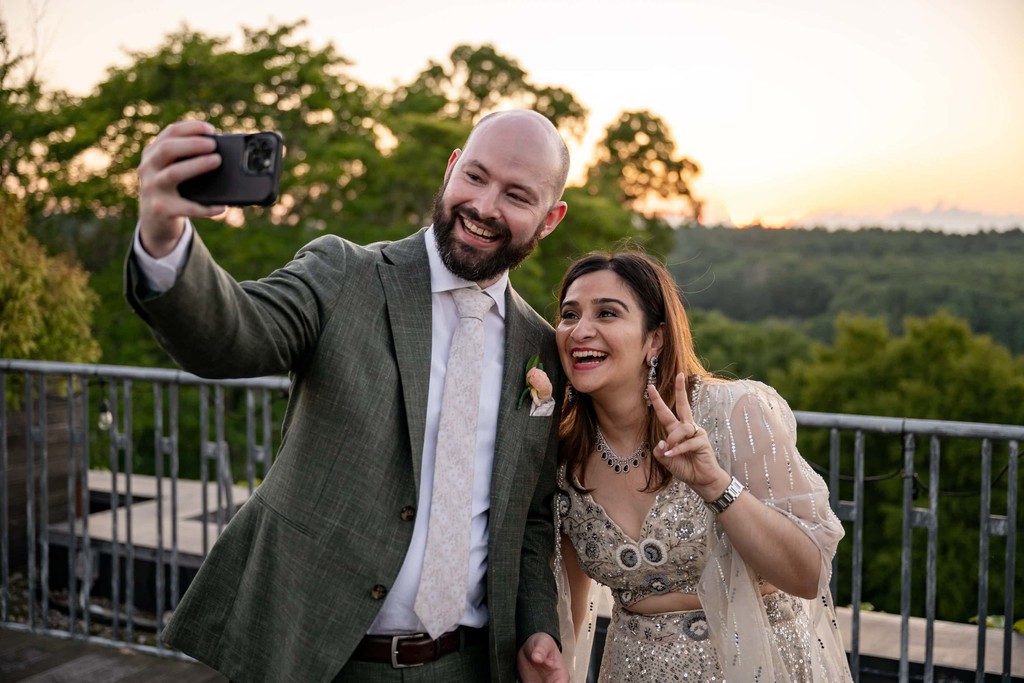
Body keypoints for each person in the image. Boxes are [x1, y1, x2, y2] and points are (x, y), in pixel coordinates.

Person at [125, 110, 572, 682]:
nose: (484, 206)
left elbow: (530, 520)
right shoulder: (344, 275)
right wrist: (164, 239)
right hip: (317, 657)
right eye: (476, 177)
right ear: (451, 168)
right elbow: (234, 335)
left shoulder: (542, 350)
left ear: (550, 218)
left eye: (516, 194)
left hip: (468, 666)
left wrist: (538, 628)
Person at [551, 250, 853, 681]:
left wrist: (715, 485)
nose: (581, 331)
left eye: (607, 314)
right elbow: (571, 604)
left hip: (759, 668)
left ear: (654, 339)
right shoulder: (566, 453)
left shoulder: (732, 412)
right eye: (569, 314)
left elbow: (809, 576)